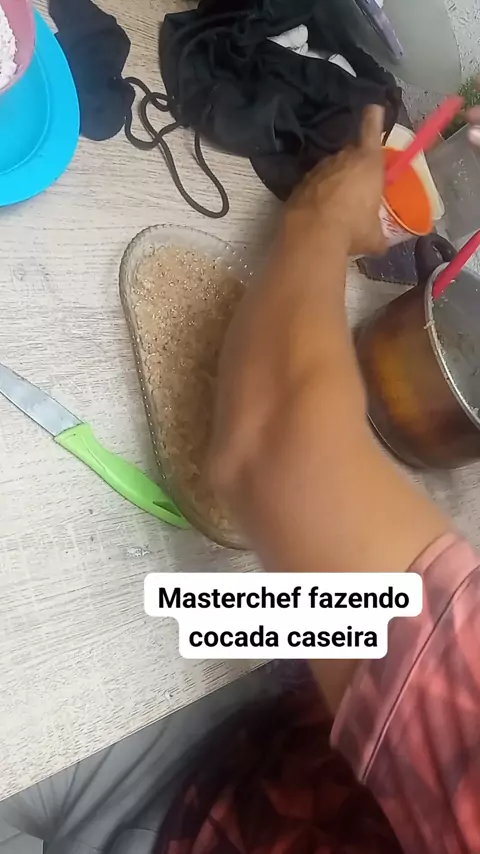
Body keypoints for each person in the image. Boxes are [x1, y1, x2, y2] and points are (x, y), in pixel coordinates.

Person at [2, 107, 480, 854]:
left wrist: (323, 217)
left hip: (200, 813)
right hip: (288, 722)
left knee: (69, 650)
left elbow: (268, 452)